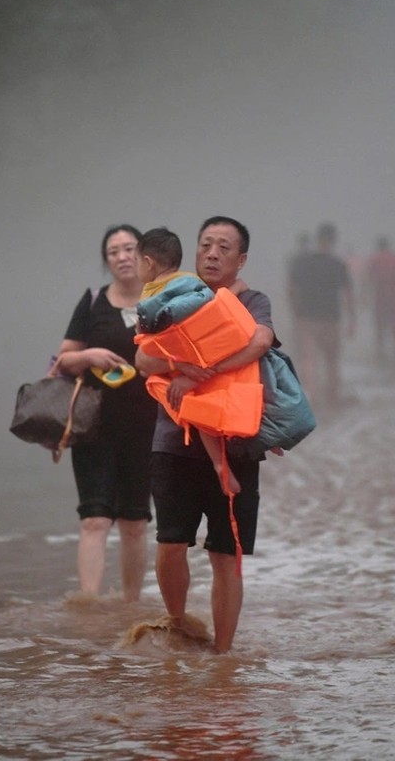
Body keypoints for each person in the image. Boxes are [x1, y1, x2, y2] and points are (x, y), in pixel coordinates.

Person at [135, 216, 275, 654]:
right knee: (171, 543)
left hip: (237, 441)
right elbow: (143, 360)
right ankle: (177, 624)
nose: (213, 254)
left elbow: (259, 342)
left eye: (224, 248)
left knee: (225, 554)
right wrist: (181, 367)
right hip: (175, 440)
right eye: (206, 245)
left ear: (241, 259)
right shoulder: (177, 295)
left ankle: (223, 655)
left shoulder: (253, 301)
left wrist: (205, 371)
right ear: (195, 253)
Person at [54, 224, 158, 602]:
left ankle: (131, 604)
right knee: (94, 518)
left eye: (129, 248)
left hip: (146, 426)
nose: (122, 256)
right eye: (113, 251)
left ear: (144, 255)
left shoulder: (160, 300)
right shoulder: (93, 300)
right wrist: (88, 355)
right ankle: (88, 606)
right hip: (94, 425)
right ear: (106, 260)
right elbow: (62, 359)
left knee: (134, 522)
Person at [135, 227, 242, 494]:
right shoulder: (188, 280)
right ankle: (224, 462)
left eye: (137, 261)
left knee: (198, 411)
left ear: (148, 263)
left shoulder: (155, 292)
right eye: (206, 246)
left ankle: (219, 464)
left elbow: (148, 336)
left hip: (193, 358)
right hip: (197, 360)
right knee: (204, 412)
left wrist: (183, 367)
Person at [288, 221, 355, 406]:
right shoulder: (338, 264)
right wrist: (352, 319)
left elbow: (292, 289)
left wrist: (296, 311)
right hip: (331, 317)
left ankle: (312, 395)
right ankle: (332, 395)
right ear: (333, 240)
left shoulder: (302, 262)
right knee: (331, 359)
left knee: (309, 358)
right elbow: (348, 294)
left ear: (317, 239)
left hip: (307, 317)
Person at [365, 235, 395, 363]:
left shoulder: (375, 259)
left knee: (380, 325)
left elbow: (369, 278)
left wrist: (364, 296)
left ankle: (381, 351)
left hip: (380, 296)